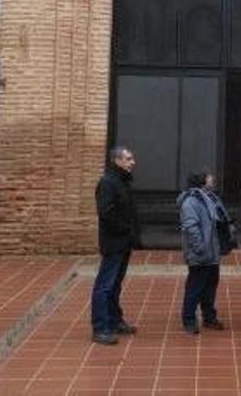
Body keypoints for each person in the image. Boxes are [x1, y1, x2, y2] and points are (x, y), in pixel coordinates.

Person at [91, 147, 140, 345]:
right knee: (105, 285)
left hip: (124, 242)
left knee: (115, 284)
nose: (133, 162)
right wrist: (124, 229)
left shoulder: (122, 181)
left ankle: (114, 320)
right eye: (128, 158)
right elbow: (106, 213)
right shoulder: (108, 183)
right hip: (113, 242)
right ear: (116, 161)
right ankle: (101, 328)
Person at [178, 172, 228, 334]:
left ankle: (209, 317)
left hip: (212, 252)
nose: (212, 179)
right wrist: (200, 248)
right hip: (201, 252)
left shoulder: (211, 198)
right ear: (201, 181)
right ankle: (189, 320)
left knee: (210, 287)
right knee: (195, 287)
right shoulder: (191, 202)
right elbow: (191, 228)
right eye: (209, 177)